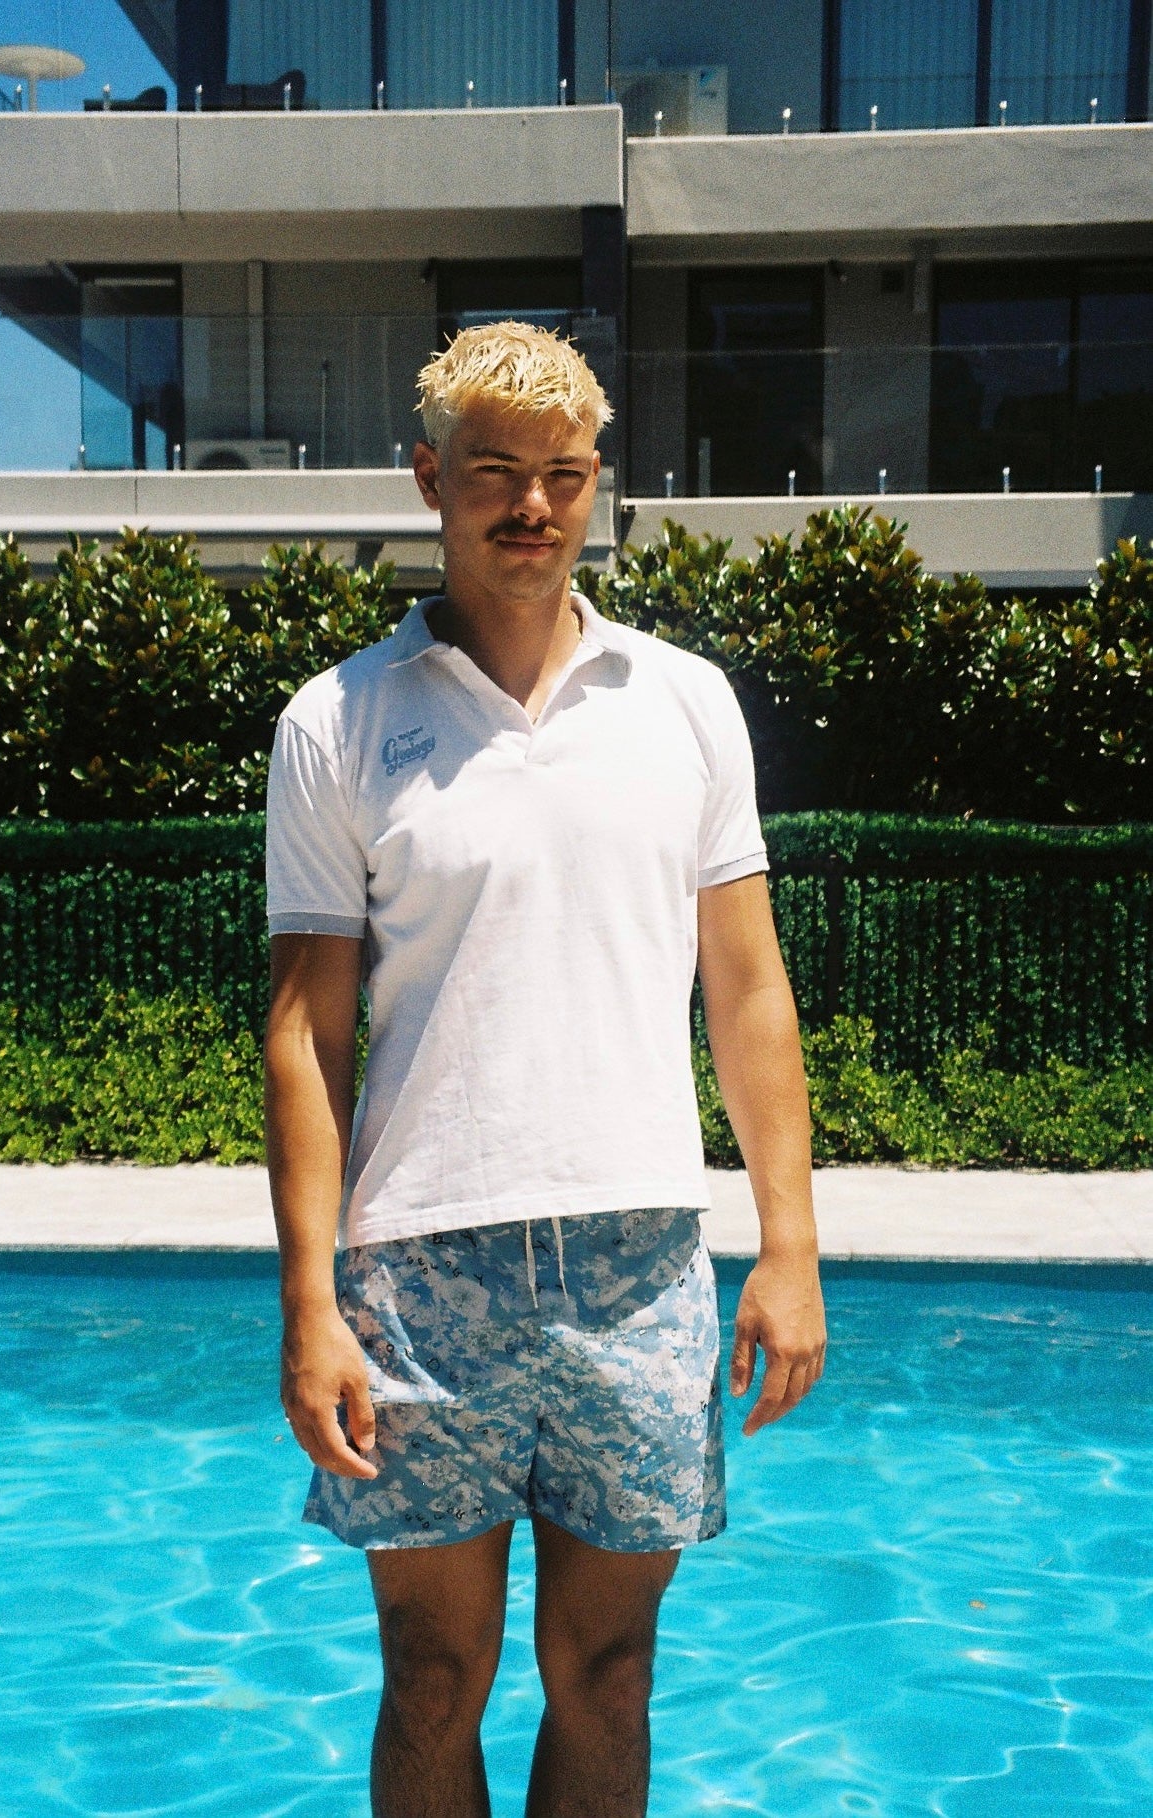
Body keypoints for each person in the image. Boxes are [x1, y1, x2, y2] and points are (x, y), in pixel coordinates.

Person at [263, 319, 827, 1818]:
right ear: (429, 477)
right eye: (496, 471)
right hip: (420, 1272)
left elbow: (749, 989)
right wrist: (311, 1302)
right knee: (430, 1677)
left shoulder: (684, 702)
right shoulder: (340, 722)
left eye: (564, 474)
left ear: (596, 486)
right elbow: (307, 1028)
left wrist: (790, 1246)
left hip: (640, 1263)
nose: (532, 504)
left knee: (610, 1674)